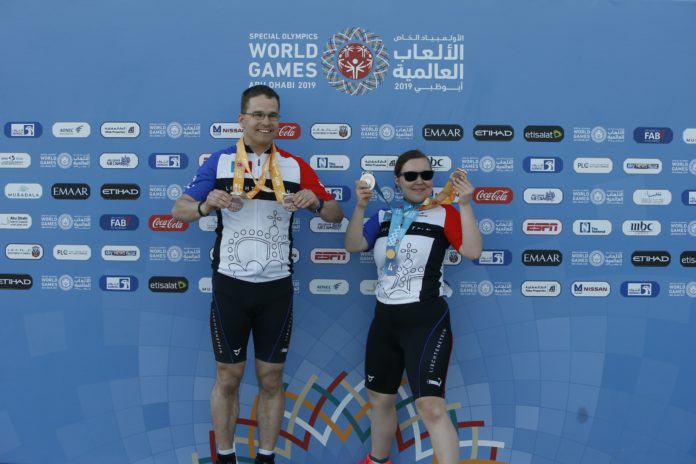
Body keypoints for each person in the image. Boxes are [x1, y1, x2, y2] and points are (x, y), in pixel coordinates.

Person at [172, 85, 344, 464]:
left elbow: (335, 214)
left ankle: (266, 458)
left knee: (271, 378)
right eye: (258, 114)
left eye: (272, 115)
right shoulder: (220, 162)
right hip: (231, 286)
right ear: (242, 119)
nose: (266, 122)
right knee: (228, 377)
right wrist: (205, 206)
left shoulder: (294, 166)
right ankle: (226, 457)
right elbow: (179, 209)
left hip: (275, 288)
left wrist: (316, 203)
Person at [344, 150, 482, 464]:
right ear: (398, 181)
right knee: (379, 400)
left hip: (425, 320)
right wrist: (360, 207)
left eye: (426, 175)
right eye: (411, 176)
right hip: (385, 321)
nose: (419, 181)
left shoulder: (444, 213)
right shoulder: (384, 217)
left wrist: (464, 204)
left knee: (430, 407)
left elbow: (473, 251)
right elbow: (353, 245)